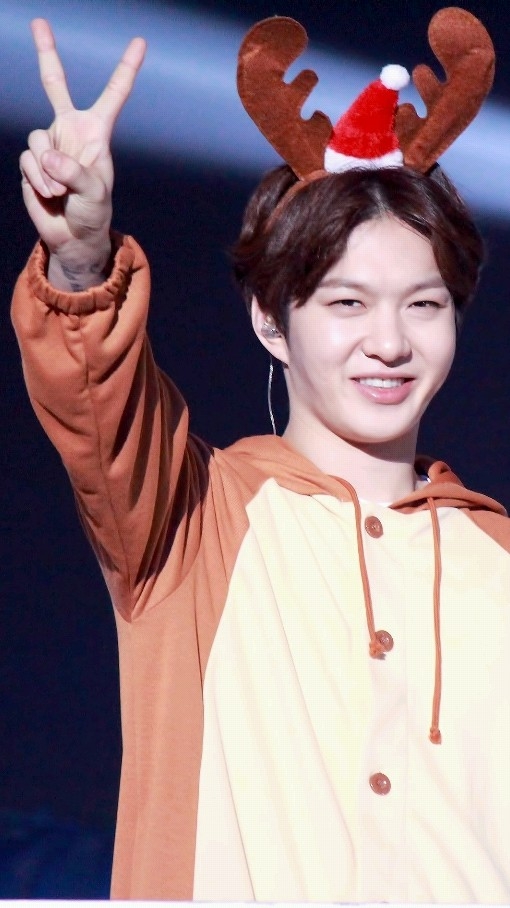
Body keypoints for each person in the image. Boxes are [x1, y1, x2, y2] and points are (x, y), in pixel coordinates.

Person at [11, 11, 510, 904]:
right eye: (347, 303)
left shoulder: (496, 558)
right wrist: (81, 260)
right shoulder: (190, 520)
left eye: (424, 304)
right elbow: (95, 401)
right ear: (272, 321)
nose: (389, 342)